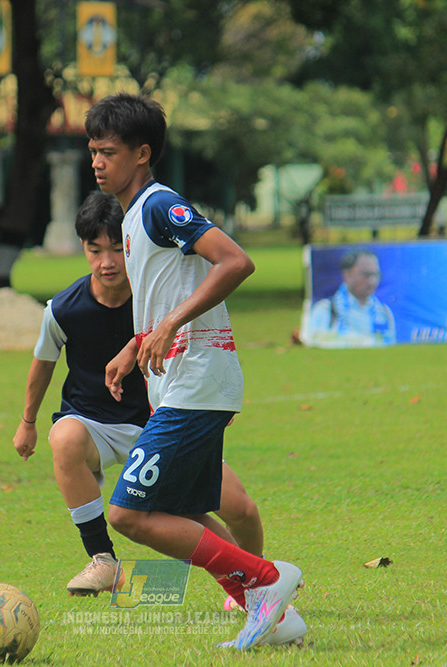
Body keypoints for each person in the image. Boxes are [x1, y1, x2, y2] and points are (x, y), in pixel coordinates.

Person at [87, 93, 304, 650]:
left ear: (142, 153)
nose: (96, 161)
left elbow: (235, 261)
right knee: (177, 509)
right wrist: (137, 345)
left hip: (197, 381)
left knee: (127, 514)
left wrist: (168, 327)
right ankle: (276, 616)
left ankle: (264, 581)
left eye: (107, 151)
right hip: (178, 382)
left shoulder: (161, 205)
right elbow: (166, 294)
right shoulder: (133, 216)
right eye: (92, 151)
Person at [11, 192, 278, 616]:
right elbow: (42, 363)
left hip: (158, 419)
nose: (108, 261)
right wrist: (27, 421)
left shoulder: (157, 293)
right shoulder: (62, 309)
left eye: (117, 247)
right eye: (95, 250)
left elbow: (192, 330)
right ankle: (102, 559)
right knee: (64, 438)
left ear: (132, 245)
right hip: (94, 425)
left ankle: (258, 577)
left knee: (239, 508)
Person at [301, 249, 396, 348]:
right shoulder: (324, 311)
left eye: (376, 275)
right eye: (366, 275)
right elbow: (314, 343)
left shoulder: (384, 313)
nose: (372, 281)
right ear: (347, 275)